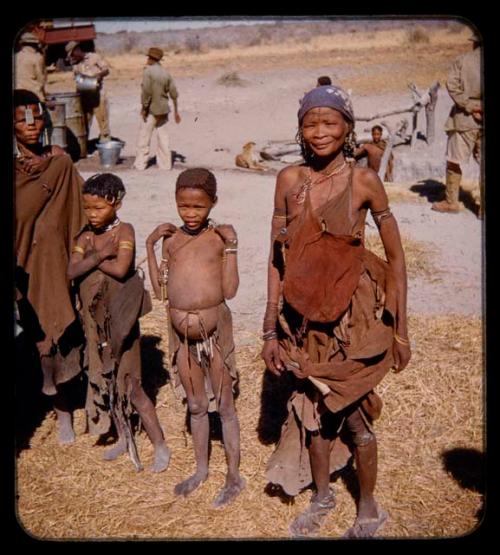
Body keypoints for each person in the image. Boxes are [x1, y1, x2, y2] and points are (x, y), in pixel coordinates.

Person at [261, 85, 411, 538]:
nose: (319, 132)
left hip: (353, 318)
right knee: (313, 412)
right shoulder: (289, 180)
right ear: (300, 130)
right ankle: (323, 496)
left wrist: (401, 330)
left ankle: (368, 507)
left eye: (330, 122)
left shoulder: (364, 180)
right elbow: (276, 257)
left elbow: (396, 258)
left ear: (348, 127)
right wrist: (270, 326)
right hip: (303, 318)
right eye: (310, 123)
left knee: (356, 414)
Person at [146, 168, 245, 506]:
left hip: (214, 335)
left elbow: (229, 290)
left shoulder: (219, 238)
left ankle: (233, 476)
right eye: (183, 206)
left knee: (226, 407)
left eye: (198, 207)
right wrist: (150, 244)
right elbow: (160, 293)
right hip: (182, 339)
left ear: (212, 203)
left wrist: (232, 247)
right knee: (197, 405)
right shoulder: (171, 240)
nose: (190, 214)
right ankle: (201, 470)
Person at [67, 173, 171, 472]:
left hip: (120, 323)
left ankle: (159, 444)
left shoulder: (125, 230)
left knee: (132, 385)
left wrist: (92, 259)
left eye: (98, 208)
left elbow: (122, 267)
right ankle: (124, 436)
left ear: (116, 203)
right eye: (87, 208)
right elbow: (71, 272)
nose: (92, 214)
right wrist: (101, 254)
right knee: (106, 381)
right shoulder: (86, 236)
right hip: (94, 326)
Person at [14, 88, 86, 444]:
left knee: (59, 336)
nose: (31, 126)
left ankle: (66, 413)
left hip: (55, 264)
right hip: (20, 268)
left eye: (36, 117)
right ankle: (47, 409)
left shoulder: (60, 165)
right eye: (21, 120)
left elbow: (85, 208)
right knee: (32, 337)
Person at [431, 30, 482, 215]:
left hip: (464, 119)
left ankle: (451, 202)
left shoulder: (463, 60)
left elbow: (452, 85)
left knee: (453, 161)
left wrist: (470, 106)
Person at [133, 47, 181, 171]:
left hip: (151, 110)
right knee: (163, 138)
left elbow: (146, 92)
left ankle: (140, 165)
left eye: (148, 58)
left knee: (144, 137)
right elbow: (174, 93)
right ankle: (165, 165)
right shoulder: (166, 73)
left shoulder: (148, 72)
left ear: (151, 58)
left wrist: (144, 108)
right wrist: (176, 112)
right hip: (164, 110)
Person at [66, 40, 112, 143]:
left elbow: (106, 70)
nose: (73, 57)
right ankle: (84, 146)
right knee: (84, 123)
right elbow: (77, 80)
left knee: (103, 120)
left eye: (73, 55)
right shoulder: (76, 65)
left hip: (98, 95)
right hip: (85, 97)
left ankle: (106, 145)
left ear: (77, 50)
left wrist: (99, 75)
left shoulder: (94, 57)